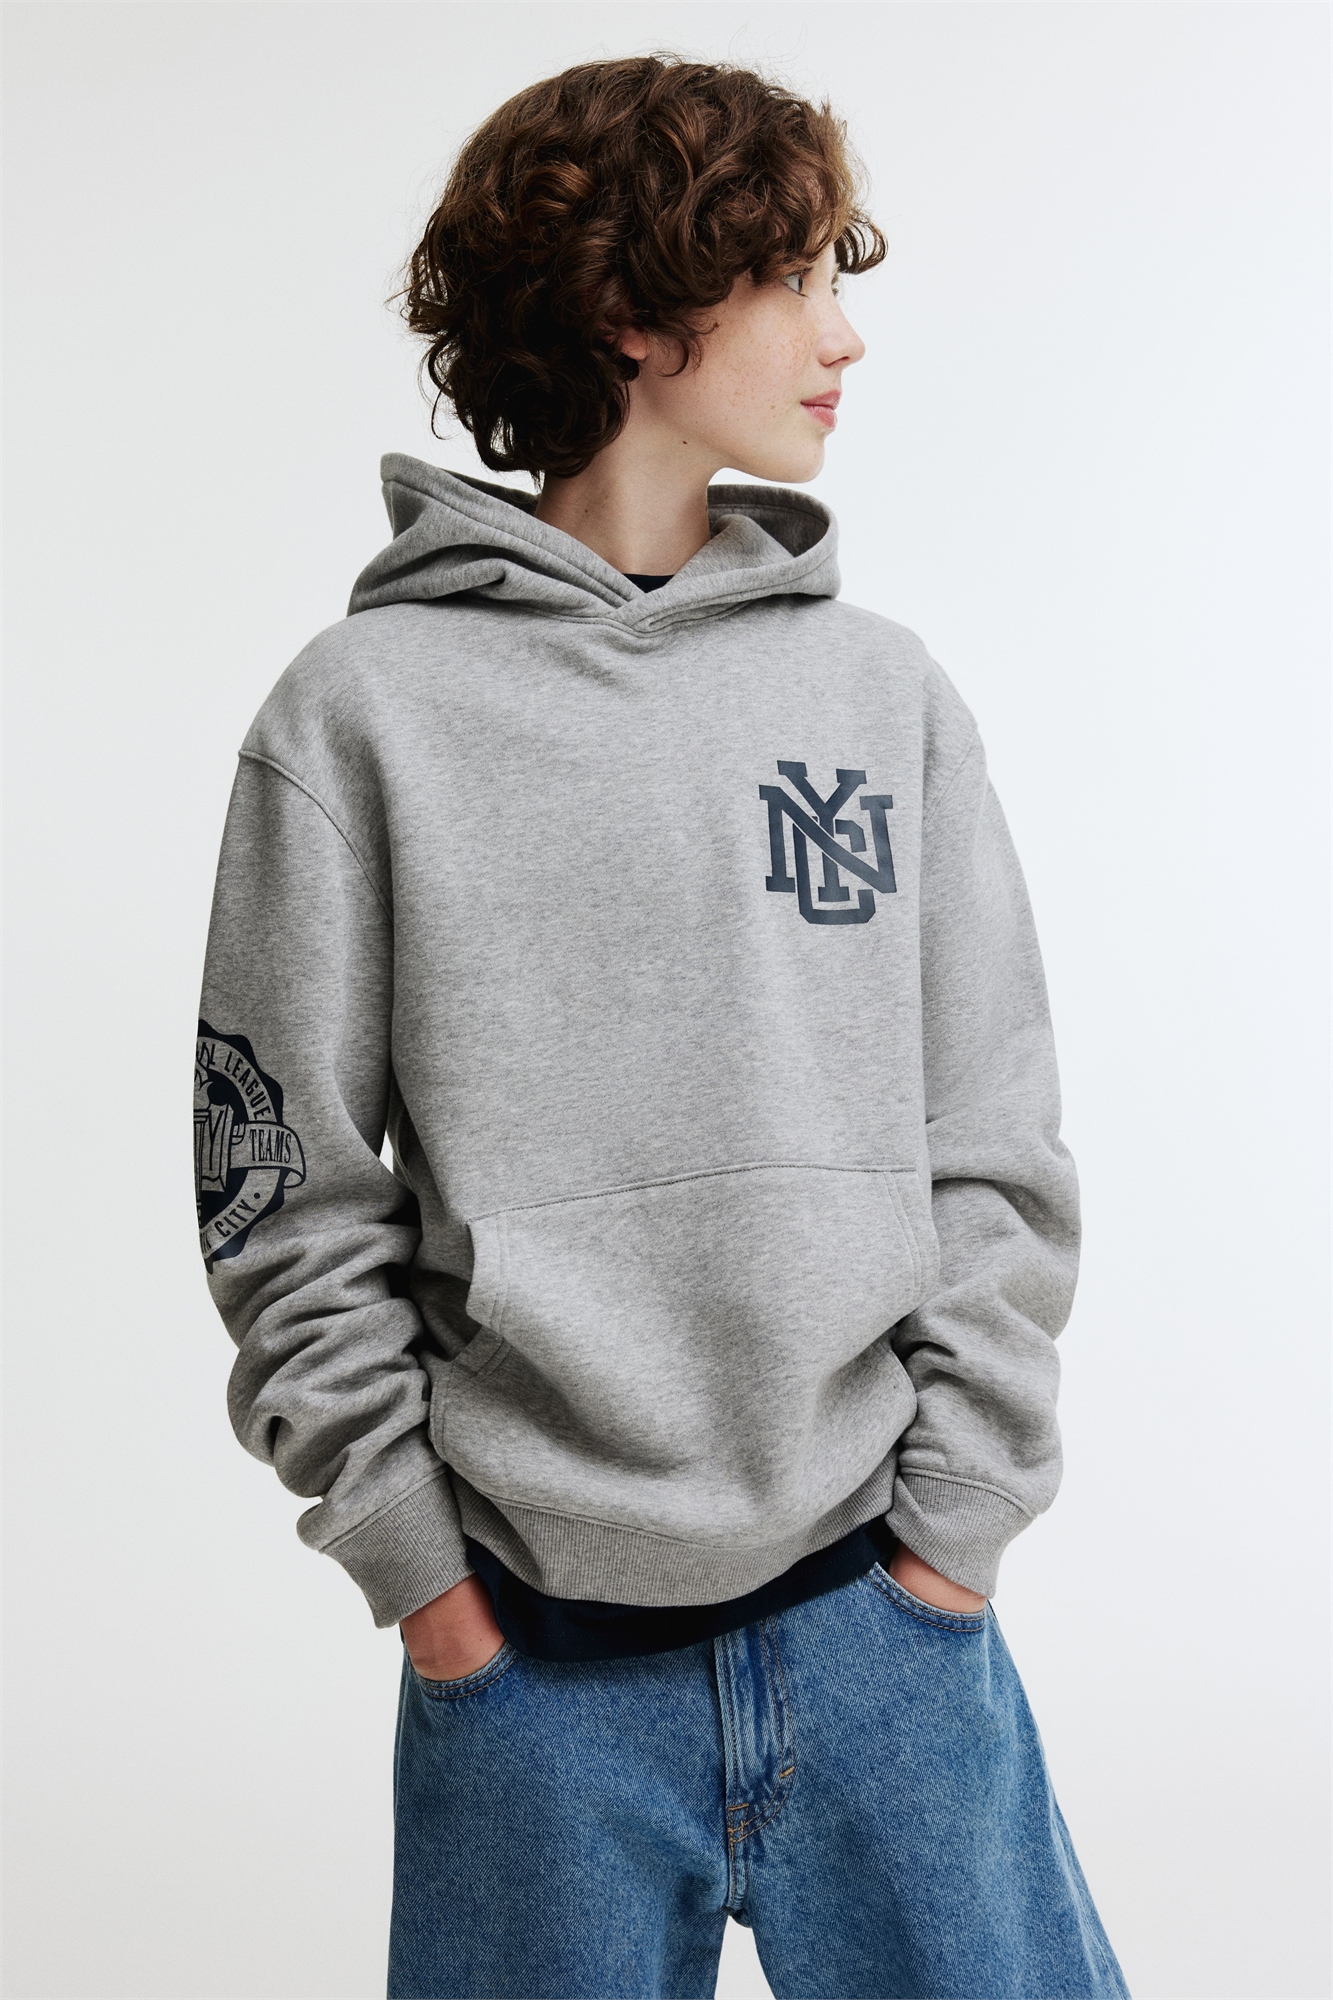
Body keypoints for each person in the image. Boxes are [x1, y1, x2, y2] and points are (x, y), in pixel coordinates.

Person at [195, 53, 1129, 2000]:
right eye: (790, 277)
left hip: (887, 1633)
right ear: (633, 311)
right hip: (530, 1677)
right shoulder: (360, 717)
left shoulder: (880, 697)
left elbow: (993, 1139)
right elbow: (284, 1194)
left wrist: (950, 1540)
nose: (841, 335)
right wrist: (425, 1582)